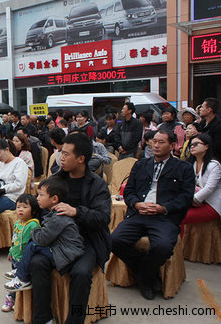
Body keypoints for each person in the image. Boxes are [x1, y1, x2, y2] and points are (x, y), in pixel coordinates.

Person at [30, 132, 111, 324]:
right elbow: (42, 209)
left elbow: (103, 217)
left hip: (87, 240)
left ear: (81, 158)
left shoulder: (97, 184)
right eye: (61, 153)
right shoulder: (58, 179)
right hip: (57, 238)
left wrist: (77, 212)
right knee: (37, 263)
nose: (61, 157)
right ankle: (43, 319)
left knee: (81, 273)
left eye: (66, 154)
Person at [111, 130, 195, 300]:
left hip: (164, 217)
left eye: (161, 142)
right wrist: (136, 204)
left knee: (162, 246)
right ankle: (146, 273)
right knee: (114, 240)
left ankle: (145, 279)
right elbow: (129, 191)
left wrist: (162, 208)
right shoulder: (141, 165)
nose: (156, 145)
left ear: (172, 146)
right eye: (154, 141)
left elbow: (185, 198)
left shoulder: (183, 168)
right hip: (139, 213)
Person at [3, 178, 84, 311]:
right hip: (62, 250)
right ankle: (20, 272)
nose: (37, 198)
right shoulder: (54, 213)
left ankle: (22, 277)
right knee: (34, 245)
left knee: (34, 245)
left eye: (41, 195)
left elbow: (41, 240)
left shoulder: (58, 217)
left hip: (66, 255)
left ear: (54, 199)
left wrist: (34, 229)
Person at [1, 193, 41, 312]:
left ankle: (15, 301)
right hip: (15, 257)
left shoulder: (33, 224)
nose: (20, 210)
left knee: (20, 281)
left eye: (25, 207)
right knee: (13, 281)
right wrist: (10, 252)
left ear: (33, 210)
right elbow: (14, 238)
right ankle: (12, 300)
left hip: (24, 260)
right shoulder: (18, 223)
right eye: (18, 207)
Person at [180, 134, 221, 237]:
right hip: (196, 202)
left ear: (206, 147)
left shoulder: (214, 165)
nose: (192, 147)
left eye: (196, 144)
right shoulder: (192, 164)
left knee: (180, 217)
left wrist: (191, 200)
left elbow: (209, 188)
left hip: (211, 204)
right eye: (191, 145)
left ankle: (178, 249)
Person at [199, 97, 221, 162]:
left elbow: (217, 147)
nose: (200, 109)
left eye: (202, 107)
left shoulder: (218, 126)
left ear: (209, 110)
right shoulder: (202, 123)